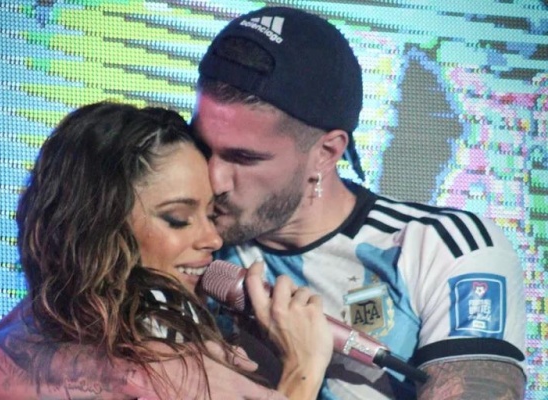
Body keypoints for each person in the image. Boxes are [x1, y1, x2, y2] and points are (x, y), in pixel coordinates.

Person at [190, 6, 527, 400]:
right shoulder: (183, 246)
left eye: (244, 158)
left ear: (326, 153)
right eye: (202, 146)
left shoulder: (443, 247)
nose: (214, 179)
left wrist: (302, 368)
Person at [0, 102, 334, 400]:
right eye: (177, 219)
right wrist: (303, 371)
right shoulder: (161, 336)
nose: (213, 239)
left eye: (210, 215)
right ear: (100, 227)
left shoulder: (63, 321)